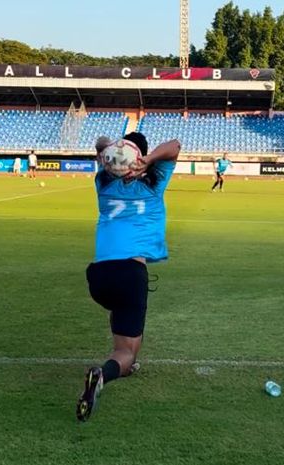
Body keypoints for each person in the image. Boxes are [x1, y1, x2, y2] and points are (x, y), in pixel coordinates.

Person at [76, 132, 180, 422]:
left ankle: (126, 361)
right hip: (130, 273)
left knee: (121, 310)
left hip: (98, 276)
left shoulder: (103, 181)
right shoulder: (155, 182)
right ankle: (106, 372)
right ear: (142, 157)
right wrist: (147, 160)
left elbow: (99, 142)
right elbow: (174, 146)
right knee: (126, 352)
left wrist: (112, 151)